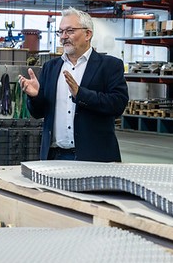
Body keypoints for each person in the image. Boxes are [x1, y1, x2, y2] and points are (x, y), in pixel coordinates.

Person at [18, 8, 129, 161]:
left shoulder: (109, 66)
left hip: (95, 157)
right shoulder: (51, 67)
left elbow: (118, 105)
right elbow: (39, 113)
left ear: (88, 34)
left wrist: (81, 94)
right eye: (61, 32)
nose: (64, 37)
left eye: (70, 31)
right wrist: (36, 96)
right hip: (55, 156)